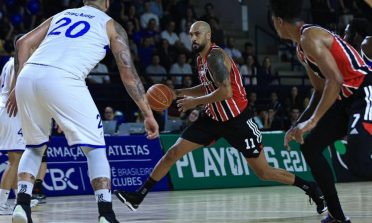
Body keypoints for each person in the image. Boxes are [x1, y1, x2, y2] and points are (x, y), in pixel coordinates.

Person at [114, 20, 326, 215]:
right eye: (190, 34)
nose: (193, 38)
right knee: (173, 153)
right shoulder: (200, 59)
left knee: (264, 172)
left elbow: (225, 92)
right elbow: (207, 86)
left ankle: (311, 187)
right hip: (213, 118)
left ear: (208, 35)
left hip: (237, 120)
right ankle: (138, 196)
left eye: (197, 34)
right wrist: (179, 93)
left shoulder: (215, 56)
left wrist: (194, 102)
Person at [7, 0, 159, 222]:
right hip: (63, 79)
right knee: (95, 149)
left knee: (34, 147)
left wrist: (15, 86)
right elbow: (129, 75)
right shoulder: (111, 25)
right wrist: (147, 113)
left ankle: (21, 205)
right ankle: (106, 213)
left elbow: (22, 43)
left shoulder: (63, 14)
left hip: (28, 76)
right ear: (106, 3)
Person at [270, 0, 372, 222]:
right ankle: (336, 216)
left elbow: (334, 80)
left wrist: (313, 121)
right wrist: (299, 124)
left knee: (359, 163)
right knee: (311, 146)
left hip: (365, 88)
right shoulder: (301, 47)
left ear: (279, 21)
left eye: (273, 22)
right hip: (346, 98)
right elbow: (318, 89)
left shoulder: (310, 37)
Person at [0, 35, 39, 215]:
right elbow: (19, 89)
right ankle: (1, 203)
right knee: (15, 159)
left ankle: (19, 201)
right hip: (11, 110)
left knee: (16, 158)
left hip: (5, 109)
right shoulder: (19, 63)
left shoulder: (8, 63)